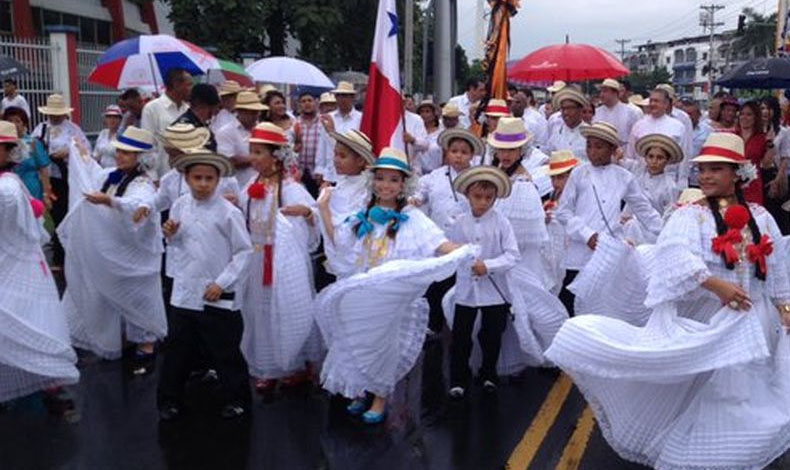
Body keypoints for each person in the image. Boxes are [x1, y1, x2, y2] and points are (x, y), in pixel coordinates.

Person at [545, 132, 790, 470]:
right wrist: (714, 283)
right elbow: (674, 254)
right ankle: (707, 456)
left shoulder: (761, 216)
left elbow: (776, 264)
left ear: (738, 173)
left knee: (745, 394)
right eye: (703, 170)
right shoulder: (691, 216)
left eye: (716, 169)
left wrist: (784, 306)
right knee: (714, 391)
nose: (706, 177)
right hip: (710, 316)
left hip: (756, 319)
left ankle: (734, 454)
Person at [316, 147, 464, 424]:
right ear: (373, 181)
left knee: (385, 343)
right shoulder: (364, 214)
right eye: (381, 178)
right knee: (361, 340)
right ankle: (360, 389)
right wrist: (323, 208)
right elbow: (340, 241)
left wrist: (461, 250)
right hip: (363, 291)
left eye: (394, 180)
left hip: (391, 294)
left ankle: (380, 397)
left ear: (403, 185)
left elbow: (437, 242)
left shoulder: (412, 217)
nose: (386, 185)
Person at [58, 126, 167, 372]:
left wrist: (109, 201)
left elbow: (138, 204)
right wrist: (82, 155)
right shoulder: (114, 175)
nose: (120, 156)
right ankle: (123, 334)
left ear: (141, 158)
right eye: (120, 151)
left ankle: (147, 340)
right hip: (117, 246)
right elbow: (94, 174)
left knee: (140, 294)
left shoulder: (142, 183)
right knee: (112, 289)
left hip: (135, 252)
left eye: (127, 153)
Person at [157, 149, 253, 421]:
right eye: (197, 177)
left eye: (209, 178)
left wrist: (221, 283)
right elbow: (177, 246)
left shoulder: (228, 213)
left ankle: (237, 399)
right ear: (186, 178)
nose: (202, 183)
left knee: (225, 350)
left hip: (216, 292)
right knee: (177, 349)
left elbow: (244, 252)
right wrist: (171, 236)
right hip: (185, 290)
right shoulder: (179, 205)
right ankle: (169, 400)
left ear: (218, 180)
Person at [0, 120, 79, 406]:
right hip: (17, 261)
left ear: (9, 151)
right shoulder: (9, 182)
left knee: (25, 318)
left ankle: (46, 380)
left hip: (16, 262)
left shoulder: (7, 186)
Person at [239, 122, 321, 395]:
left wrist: (307, 214)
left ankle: (295, 364)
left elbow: (315, 216)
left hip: (284, 260)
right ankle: (269, 366)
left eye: (259, 152)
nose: (253, 158)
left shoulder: (290, 188)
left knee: (287, 307)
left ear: (276, 157)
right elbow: (243, 211)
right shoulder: (252, 184)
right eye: (252, 151)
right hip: (259, 257)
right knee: (261, 310)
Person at [556, 122, 662, 316]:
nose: (592, 152)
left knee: (603, 304)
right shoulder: (579, 174)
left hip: (610, 250)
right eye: (589, 146)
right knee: (571, 302)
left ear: (613, 149)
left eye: (598, 147)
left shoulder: (625, 177)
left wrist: (665, 233)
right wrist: (586, 234)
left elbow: (644, 210)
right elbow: (563, 212)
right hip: (580, 251)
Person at [446, 166, 518, 398]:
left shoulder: (502, 222)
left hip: (495, 291)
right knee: (460, 335)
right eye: (478, 197)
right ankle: (458, 378)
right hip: (466, 289)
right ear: (467, 195)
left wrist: (489, 266)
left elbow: (512, 255)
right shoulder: (459, 221)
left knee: (491, 334)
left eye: (489, 198)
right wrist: (462, 259)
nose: (483, 202)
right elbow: (450, 249)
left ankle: (488, 373)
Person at [413, 128, 483, 334]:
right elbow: (420, 192)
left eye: (464, 152)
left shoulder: (478, 177)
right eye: (454, 151)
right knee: (436, 287)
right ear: (446, 153)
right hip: (439, 244)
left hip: (466, 242)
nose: (458, 156)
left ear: (472, 155)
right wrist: (415, 200)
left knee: (461, 289)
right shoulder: (434, 177)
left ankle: (459, 330)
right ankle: (434, 328)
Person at [31, 94, 90, 270]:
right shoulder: (41, 129)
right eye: (52, 114)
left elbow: (86, 151)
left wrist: (69, 151)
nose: (55, 117)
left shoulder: (73, 130)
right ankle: (58, 252)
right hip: (48, 178)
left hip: (66, 178)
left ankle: (65, 253)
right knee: (54, 214)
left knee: (65, 213)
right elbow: (32, 149)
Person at [626, 88, 691, 185]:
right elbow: (630, 154)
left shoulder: (678, 126)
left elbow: (684, 157)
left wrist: (682, 181)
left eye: (656, 101)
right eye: (651, 101)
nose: (652, 104)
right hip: (641, 179)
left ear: (666, 104)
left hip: (668, 179)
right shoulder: (639, 125)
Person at [140, 67, 192, 180]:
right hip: (161, 176)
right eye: (188, 85)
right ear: (176, 85)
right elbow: (147, 146)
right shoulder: (152, 108)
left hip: (185, 177)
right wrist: (153, 178)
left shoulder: (188, 110)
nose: (191, 89)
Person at [541, 150, 580, 294]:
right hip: (552, 251)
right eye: (553, 178)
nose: (556, 183)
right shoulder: (552, 196)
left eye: (561, 178)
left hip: (570, 250)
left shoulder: (578, 197)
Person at [216, 90, 267, 187]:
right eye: (251, 112)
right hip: (238, 186)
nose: (255, 116)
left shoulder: (262, 128)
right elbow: (227, 161)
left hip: (261, 184)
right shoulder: (225, 132)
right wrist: (260, 157)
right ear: (240, 111)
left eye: (257, 112)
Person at [314, 81, 362, 185]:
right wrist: (319, 168)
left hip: (352, 174)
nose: (341, 99)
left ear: (352, 98)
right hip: (331, 173)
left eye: (345, 95)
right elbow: (322, 145)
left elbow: (356, 146)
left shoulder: (361, 119)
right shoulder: (329, 117)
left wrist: (333, 133)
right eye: (338, 95)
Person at [3, 106, 51, 203]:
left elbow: (44, 170)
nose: (14, 124)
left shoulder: (33, 143)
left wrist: (46, 194)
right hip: (7, 192)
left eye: (17, 121)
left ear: (24, 124)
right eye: (10, 121)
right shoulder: (3, 144)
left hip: (31, 190)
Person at [632, 133, 682, 216]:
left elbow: (669, 214)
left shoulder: (669, 186)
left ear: (667, 160)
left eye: (660, 158)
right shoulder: (638, 176)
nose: (654, 162)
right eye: (651, 157)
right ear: (645, 158)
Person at [761, 96, 789, 233]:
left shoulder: (783, 132)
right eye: (762, 108)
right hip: (757, 173)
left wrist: (778, 180)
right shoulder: (756, 130)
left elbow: (785, 157)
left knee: (776, 213)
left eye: (769, 108)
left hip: (775, 175)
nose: (765, 112)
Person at [545, 87, 589, 162]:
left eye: (570, 108)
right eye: (563, 109)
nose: (565, 113)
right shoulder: (556, 133)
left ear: (580, 110)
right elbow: (548, 154)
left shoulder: (589, 134)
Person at [173, 83, 220, 151]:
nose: (215, 111)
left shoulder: (201, 124)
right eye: (213, 107)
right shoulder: (183, 126)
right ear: (203, 104)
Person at [593, 78, 640, 147]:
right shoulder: (597, 112)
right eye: (601, 92)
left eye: (605, 91)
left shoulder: (630, 112)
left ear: (615, 93)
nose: (601, 95)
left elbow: (636, 137)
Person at [737, 100, 767, 205]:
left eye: (749, 114)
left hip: (753, 184)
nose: (744, 117)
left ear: (756, 117)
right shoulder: (732, 135)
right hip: (732, 183)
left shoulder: (762, 138)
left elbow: (767, 164)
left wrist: (771, 144)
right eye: (742, 114)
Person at [292, 92, 322, 196]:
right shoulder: (295, 123)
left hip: (317, 173)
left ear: (316, 103)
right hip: (299, 173)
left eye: (309, 100)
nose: (307, 104)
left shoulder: (323, 122)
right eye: (303, 101)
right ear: (299, 105)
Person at [679, 98, 713, 188]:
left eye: (691, 114)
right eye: (686, 114)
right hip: (680, 175)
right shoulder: (678, 130)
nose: (688, 117)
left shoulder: (708, 131)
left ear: (699, 114)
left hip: (699, 177)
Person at [415, 100, 443, 175]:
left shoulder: (441, 132)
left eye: (427, 111)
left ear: (434, 114)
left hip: (436, 172)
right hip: (417, 173)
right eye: (422, 112)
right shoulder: (415, 131)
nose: (424, 115)